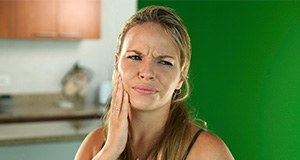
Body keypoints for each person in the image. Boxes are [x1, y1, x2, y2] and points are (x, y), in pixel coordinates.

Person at [75, 5, 234, 160]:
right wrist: (110, 151)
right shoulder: (95, 145)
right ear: (117, 65)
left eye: (164, 62)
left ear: (181, 77)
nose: (147, 73)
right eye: (135, 57)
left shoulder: (207, 152)